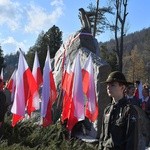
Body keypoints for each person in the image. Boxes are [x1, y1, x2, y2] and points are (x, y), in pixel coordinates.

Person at [99, 71, 138, 150]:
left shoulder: (129, 110)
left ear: (123, 87)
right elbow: (102, 137)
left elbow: (132, 141)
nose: (108, 87)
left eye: (112, 85)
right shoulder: (107, 110)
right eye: (108, 85)